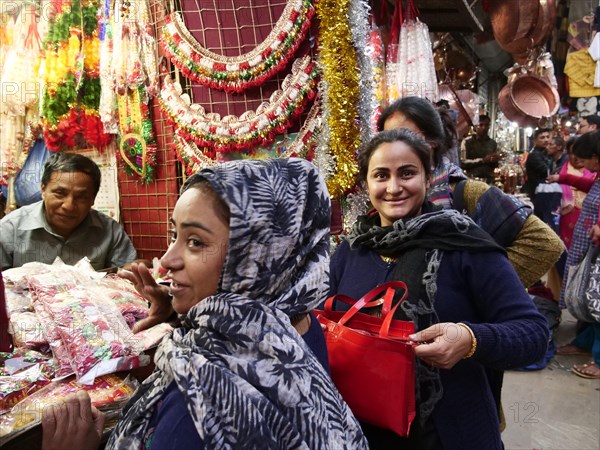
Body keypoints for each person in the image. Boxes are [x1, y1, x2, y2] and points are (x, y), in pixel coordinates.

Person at [42, 158, 368, 450]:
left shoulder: (199, 403)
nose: (167, 261)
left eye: (196, 242)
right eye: (175, 236)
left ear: (255, 256)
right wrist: (171, 318)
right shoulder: (294, 324)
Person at [329, 129, 549, 449]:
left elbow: (533, 334)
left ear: (428, 177)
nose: (394, 187)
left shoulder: (464, 245)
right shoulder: (351, 251)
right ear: (366, 184)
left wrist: (470, 339)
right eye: (381, 175)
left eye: (407, 173)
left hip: (449, 432)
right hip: (363, 430)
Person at [378, 97, 563, 289]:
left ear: (431, 141)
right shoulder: (385, 194)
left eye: (405, 137)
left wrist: (479, 288)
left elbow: (545, 244)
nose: (394, 147)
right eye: (386, 138)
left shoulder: (466, 192)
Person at [0, 152, 137, 270]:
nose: (69, 206)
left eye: (81, 197)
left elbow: (125, 276)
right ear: (43, 189)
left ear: (93, 199)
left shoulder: (110, 231)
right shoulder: (9, 229)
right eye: (60, 193)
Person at [550, 131, 600, 379]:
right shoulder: (598, 176)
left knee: (598, 303)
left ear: (596, 158)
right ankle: (584, 343)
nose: (583, 165)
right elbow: (591, 185)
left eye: (585, 160)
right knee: (589, 301)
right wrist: (563, 177)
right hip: (592, 248)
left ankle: (599, 361)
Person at [460, 114, 501, 184]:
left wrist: (496, 159)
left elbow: (494, 166)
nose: (484, 128)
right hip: (472, 180)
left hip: (488, 181)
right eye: (481, 125)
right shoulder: (467, 142)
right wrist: (483, 160)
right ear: (476, 126)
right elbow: (463, 163)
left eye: (486, 125)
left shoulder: (492, 143)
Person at [523, 128, 552, 200]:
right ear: (535, 141)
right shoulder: (534, 155)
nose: (546, 140)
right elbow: (546, 172)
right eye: (542, 137)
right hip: (539, 194)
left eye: (548, 137)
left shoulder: (546, 153)